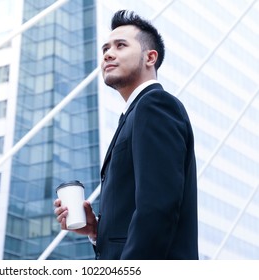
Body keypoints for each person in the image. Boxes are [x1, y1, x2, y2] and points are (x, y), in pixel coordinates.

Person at [54, 10, 198, 260]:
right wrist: (97, 229)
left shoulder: (155, 105)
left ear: (150, 57)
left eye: (121, 46)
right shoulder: (133, 115)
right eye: (105, 49)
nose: (108, 54)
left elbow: (157, 209)